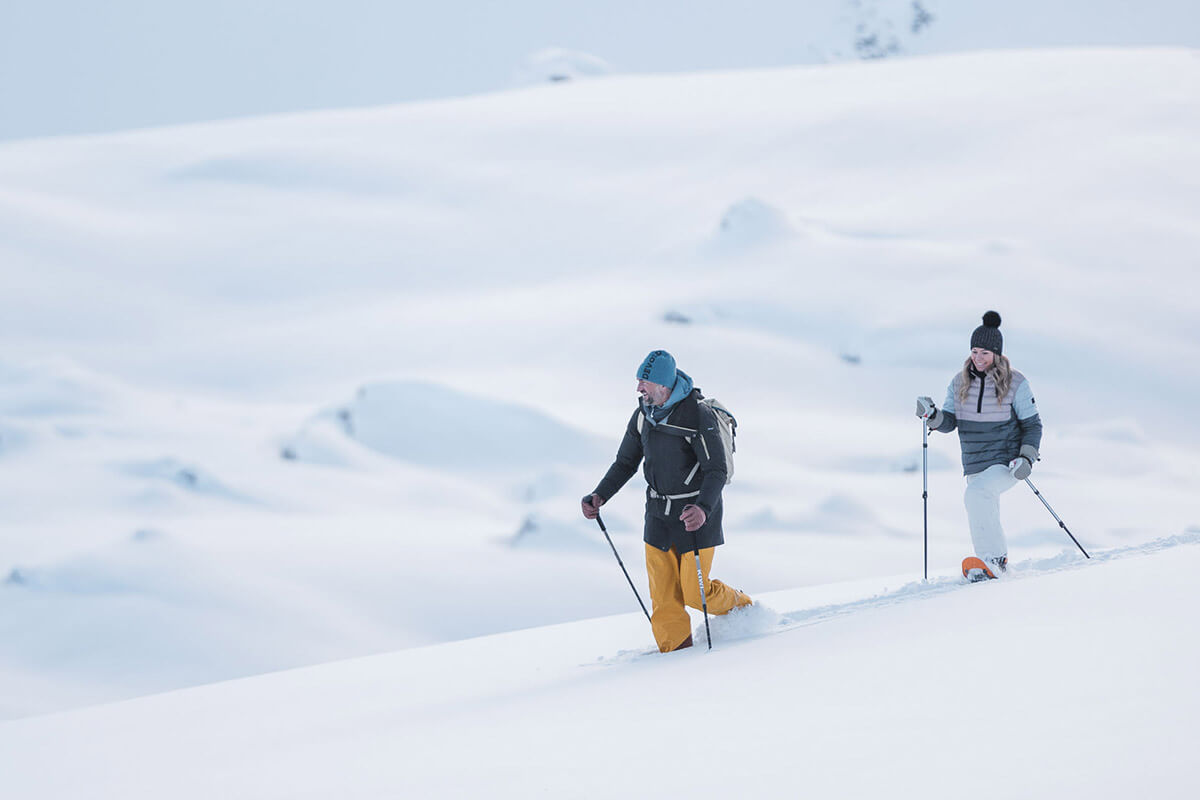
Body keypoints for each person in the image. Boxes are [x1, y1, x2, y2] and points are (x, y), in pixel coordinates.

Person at [582, 350, 752, 652]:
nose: (638, 388)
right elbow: (625, 462)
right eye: (638, 381)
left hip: (695, 515)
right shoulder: (642, 417)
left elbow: (717, 470)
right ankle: (674, 658)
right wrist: (600, 495)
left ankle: (743, 607)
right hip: (658, 515)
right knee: (663, 596)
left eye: (644, 382)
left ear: (663, 384)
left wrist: (702, 509)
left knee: (695, 591)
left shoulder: (699, 415)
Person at [917, 311, 1043, 578]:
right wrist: (933, 417)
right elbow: (950, 422)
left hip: (1006, 462)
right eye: (974, 351)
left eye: (984, 352)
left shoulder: (1016, 383)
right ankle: (996, 567)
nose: (978, 357)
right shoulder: (959, 382)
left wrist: (1027, 457)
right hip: (974, 463)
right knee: (982, 505)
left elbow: (1033, 425)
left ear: (997, 353)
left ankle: (992, 560)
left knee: (977, 496)